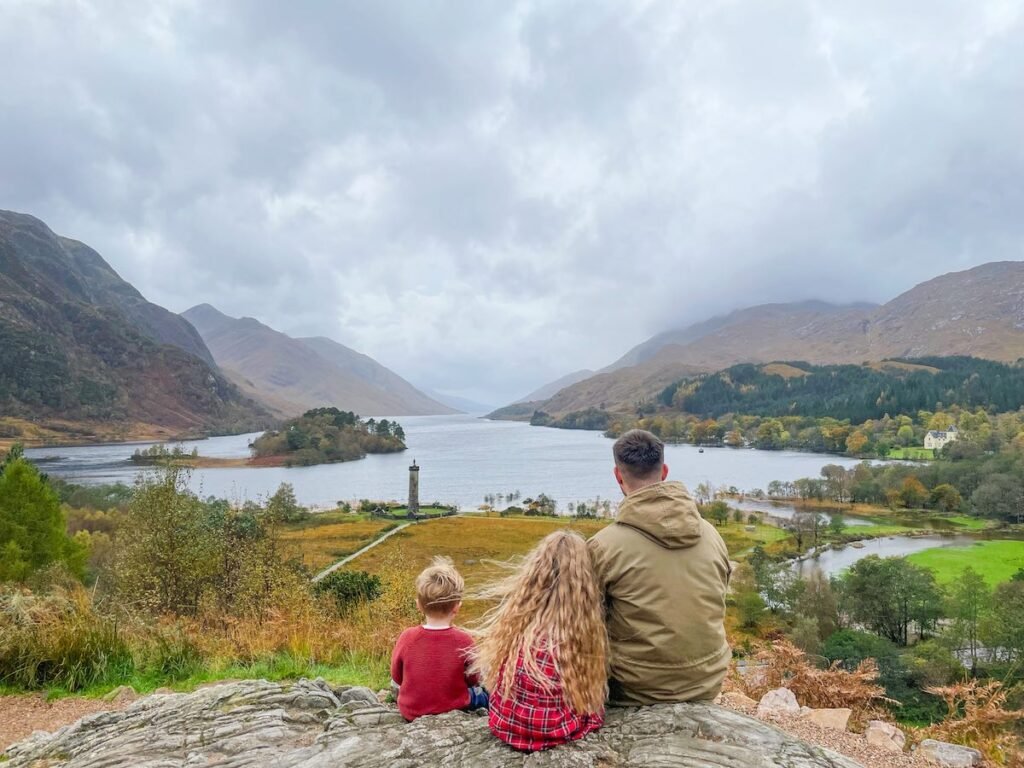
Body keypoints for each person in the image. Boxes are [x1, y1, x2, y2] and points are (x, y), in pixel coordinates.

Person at [588, 429, 732, 705]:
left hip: (634, 690)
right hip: (707, 681)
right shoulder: (711, 534)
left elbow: (581, 623)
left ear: (618, 476)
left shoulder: (602, 547)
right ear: (664, 471)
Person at [472, 530, 607, 752]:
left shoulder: (517, 623)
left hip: (507, 727)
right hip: (558, 730)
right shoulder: (580, 630)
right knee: (593, 705)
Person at [391, 556, 488, 720]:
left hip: (411, 711)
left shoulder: (407, 637)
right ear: (457, 607)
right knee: (486, 695)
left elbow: (397, 677)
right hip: (452, 707)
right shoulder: (464, 640)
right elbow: (474, 679)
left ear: (418, 605)